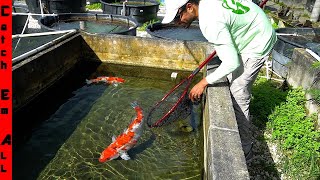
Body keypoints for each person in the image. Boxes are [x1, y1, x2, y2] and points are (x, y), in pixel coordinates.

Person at [162, 0, 277, 161]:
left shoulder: (210, 22)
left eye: (178, 16)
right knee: (230, 78)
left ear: (189, 7)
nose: (177, 22)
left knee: (238, 94)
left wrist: (203, 83)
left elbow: (231, 62)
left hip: (258, 42)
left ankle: (245, 152)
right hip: (254, 28)